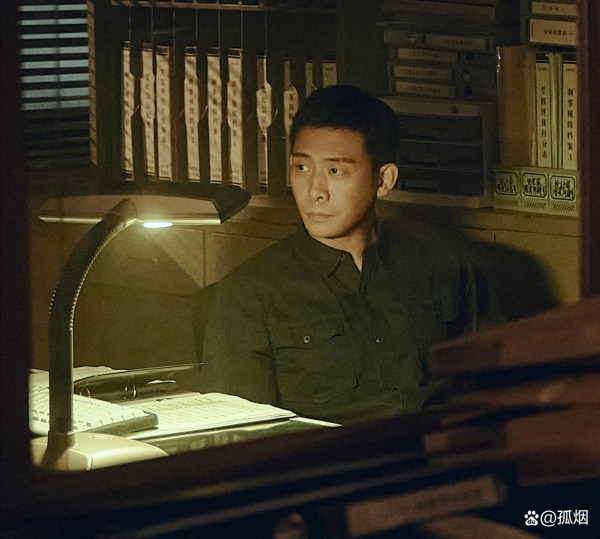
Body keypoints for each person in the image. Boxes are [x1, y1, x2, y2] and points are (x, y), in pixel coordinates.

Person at [199, 85, 498, 423]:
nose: (315, 192)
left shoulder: (444, 266)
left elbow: (499, 386)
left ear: (383, 180)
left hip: (443, 451)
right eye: (302, 168)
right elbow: (240, 433)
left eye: (335, 171)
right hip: (327, 455)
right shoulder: (252, 292)